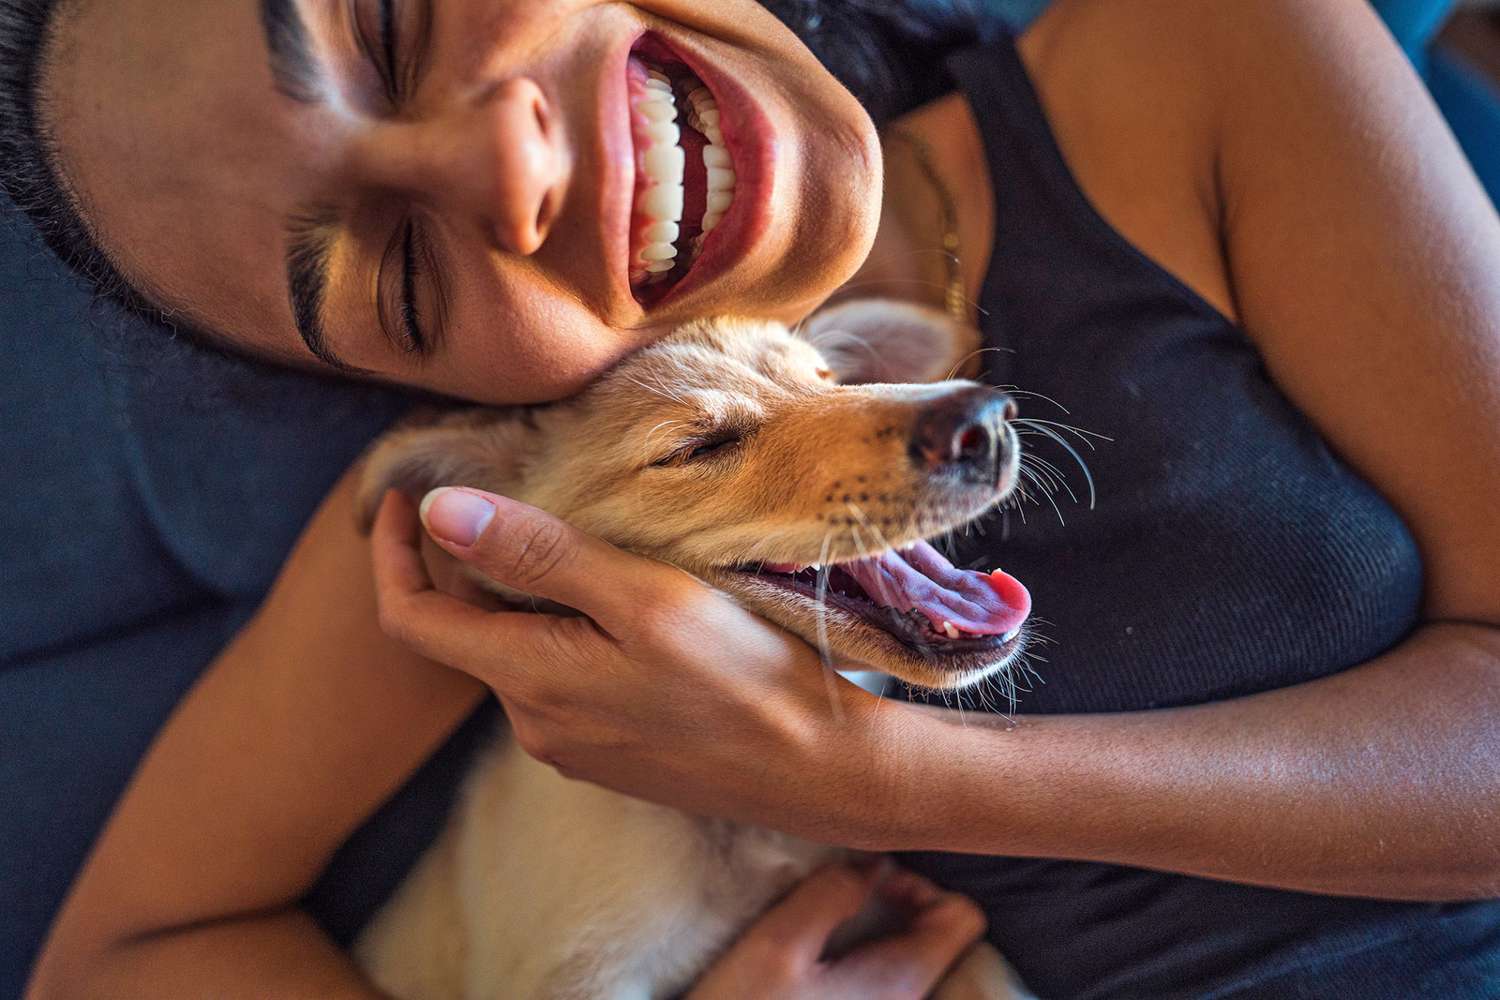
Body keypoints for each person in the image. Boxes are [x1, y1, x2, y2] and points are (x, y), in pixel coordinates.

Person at [3, 0, 1498, 996]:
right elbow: (129, 956)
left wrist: (863, 777)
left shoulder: (1213, 55)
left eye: (391, 18)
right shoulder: (502, 512)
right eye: (398, 270)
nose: (508, 161)